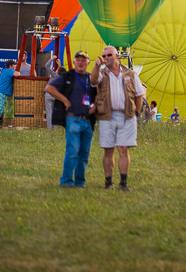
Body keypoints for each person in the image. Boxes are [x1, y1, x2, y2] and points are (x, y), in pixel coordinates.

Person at [90, 46, 145, 191]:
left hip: (127, 115)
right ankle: (108, 182)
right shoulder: (102, 73)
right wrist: (96, 65)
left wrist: (136, 113)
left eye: (109, 55)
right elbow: (93, 81)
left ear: (117, 56)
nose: (106, 58)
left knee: (123, 148)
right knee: (108, 150)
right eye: (104, 55)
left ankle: (123, 182)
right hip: (106, 115)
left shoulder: (131, 74)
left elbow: (140, 94)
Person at [46, 50, 96, 187]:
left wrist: (96, 105)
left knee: (84, 155)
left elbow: (99, 95)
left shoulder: (92, 79)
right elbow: (49, 88)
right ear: (74, 62)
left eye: (83, 60)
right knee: (72, 152)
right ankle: (67, 181)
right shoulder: (67, 76)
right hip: (72, 119)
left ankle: (80, 182)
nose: (80, 62)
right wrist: (65, 100)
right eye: (78, 60)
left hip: (88, 120)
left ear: (88, 63)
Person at [0, 60, 19, 129]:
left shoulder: (4, 71)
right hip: (2, 93)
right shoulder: (9, 71)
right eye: (14, 65)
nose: (14, 66)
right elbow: (17, 74)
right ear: (10, 66)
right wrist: (19, 72)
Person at [44, 57, 60, 129]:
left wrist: (52, 59)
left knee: (49, 112)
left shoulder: (54, 75)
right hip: (56, 95)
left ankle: (49, 128)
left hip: (49, 94)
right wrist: (59, 65)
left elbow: (46, 66)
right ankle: (55, 129)